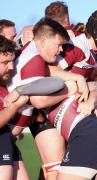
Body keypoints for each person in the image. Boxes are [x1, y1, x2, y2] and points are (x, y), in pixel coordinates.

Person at [6, 17, 88, 180]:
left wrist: (75, 78)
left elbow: (47, 75)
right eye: (58, 45)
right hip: (4, 136)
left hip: (8, 138)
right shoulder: (35, 61)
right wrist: (70, 88)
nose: (60, 51)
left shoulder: (32, 51)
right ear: (43, 42)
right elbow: (39, 100)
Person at [0, 35, 29, 180]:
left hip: (7, 140)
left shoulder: (4, 84)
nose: (11, 67)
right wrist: (17, 104)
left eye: (12, 61)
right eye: (5, 62)